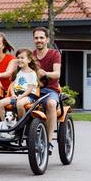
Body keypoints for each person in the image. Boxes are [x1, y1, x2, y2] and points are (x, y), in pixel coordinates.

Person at [32, 27, 61, 155]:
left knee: (51, 104)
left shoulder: (54, 54)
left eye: (41, 38)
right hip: (33, 89)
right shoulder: (30, 56)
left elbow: (57, 74)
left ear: (47, 39)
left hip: (50, 89)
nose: (39, 40)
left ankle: (49, 141)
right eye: (36, 38)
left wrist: (45, 73)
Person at [0, 49, 39, 120]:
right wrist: (13, 94)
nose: (19, 60)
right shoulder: (18, 72)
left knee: (19, 104)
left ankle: (21, 124)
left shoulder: (32, 74)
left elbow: (30, 89)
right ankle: (5, 123)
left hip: (28, 96)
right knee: (0, 103)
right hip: (16, 95)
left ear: (29, 60)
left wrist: (21, 96)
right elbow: (12, 85)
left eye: (22, 58)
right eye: (18, 58)